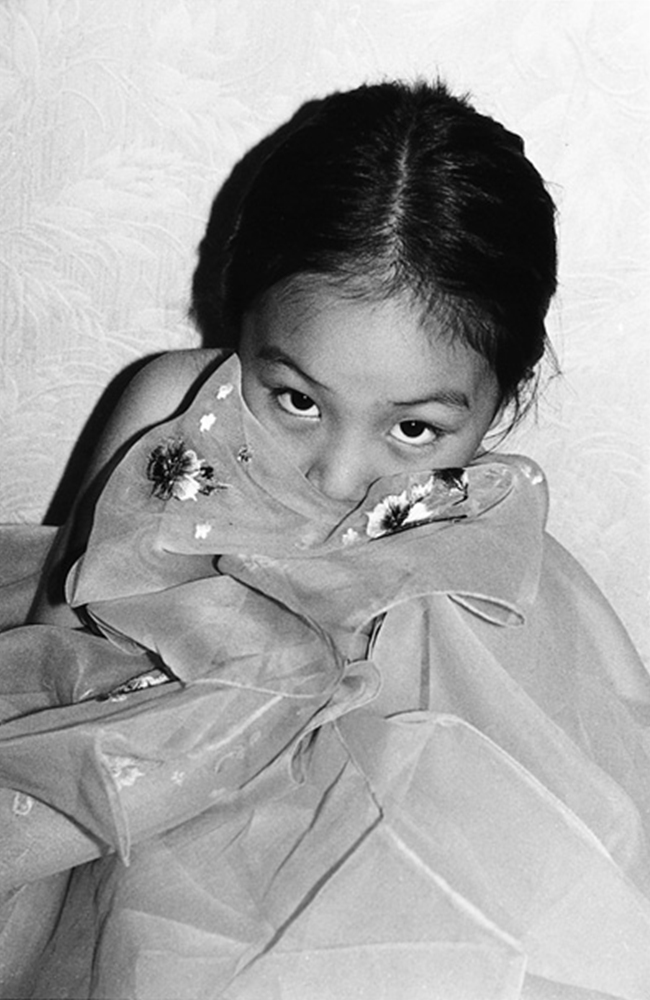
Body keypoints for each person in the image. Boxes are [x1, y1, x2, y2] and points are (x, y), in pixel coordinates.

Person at [1, 79, 649, 1000]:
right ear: (240, 315)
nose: (341, 477)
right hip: (139, 810)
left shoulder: (476, 549)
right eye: (297, 400)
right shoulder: (173, 411)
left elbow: (508, 789)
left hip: (350, 866)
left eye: (414, 428)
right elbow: (52, 652)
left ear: (503, 398)